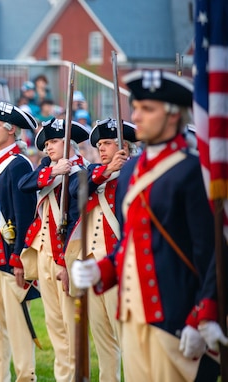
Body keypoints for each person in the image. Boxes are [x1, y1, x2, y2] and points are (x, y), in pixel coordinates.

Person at [71, 69, 219, 381]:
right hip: (132, 312)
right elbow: (130, 241)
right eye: (136, 107)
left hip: (176, 319)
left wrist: (202, 315)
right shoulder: (132, 170)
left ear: (172, 116)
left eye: (147, 109)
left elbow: (212, 252)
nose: (136, 116)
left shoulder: (193, 171)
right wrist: (104, 270)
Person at [64, 118, 138, 382]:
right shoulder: (95, 172)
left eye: (108, 143)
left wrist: (122, 169)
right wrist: (106, 171)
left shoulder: (134, 174)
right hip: (93, 268)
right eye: (99, 144)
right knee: (103, 341)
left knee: (126, 340)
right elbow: (75, 190)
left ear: (125, 147)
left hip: (119, 267)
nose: (101, 148)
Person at [18, 118, 90, 382]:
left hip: (66, 257)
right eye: (46, 143)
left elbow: (76, 210)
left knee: (72, 328)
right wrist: (54, 171)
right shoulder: (49, 170)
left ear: (69, 143)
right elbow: (24, 185)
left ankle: (76, 377)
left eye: (54, 142)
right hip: (44, 253)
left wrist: (65, 170)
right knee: (55, 326)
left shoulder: (83, 172)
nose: (48, 148)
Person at [0, 100, 40, 382]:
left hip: (9, 256)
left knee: (18, 327)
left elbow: (25, 214)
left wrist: (20, 258)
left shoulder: (18, 165)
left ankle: (25, 375)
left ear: (12, 129)